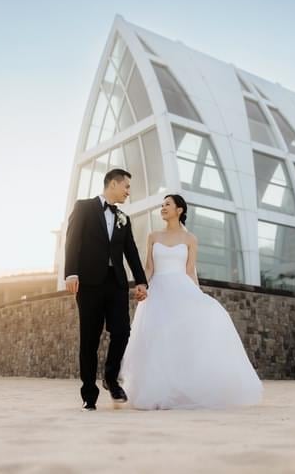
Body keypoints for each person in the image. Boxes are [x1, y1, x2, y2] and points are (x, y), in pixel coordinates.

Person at [120, 194, 263, 409]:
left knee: (184, 338)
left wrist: (198, 296)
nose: (163, 208)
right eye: (162, 205)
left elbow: (189, 271)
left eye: (167, 204)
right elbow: (149, 267)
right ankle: (158, 390)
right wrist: (142, 286)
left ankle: (182, 389)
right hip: (158, 291)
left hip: (181, 290)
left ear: (179, 210)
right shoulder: (153, 236)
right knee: (157, 340)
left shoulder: (190, 239)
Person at [64, 168, 148, 411]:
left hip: (116, 284)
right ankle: (89, 395)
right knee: (89, 339)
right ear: (113, 184)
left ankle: (111, 378)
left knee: (122, 331)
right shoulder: (84, 207)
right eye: (127, 187)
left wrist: (141, 281)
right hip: (89, 283)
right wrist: (71, 272)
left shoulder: (124, 218)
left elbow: (130, 251)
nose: (128, 192)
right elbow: (72, 240)